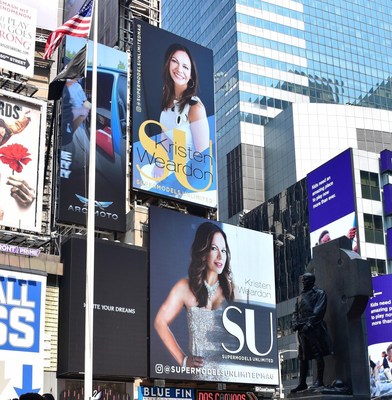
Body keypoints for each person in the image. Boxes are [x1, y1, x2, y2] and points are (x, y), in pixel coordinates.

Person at [154, 222, 234, 369]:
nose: (220, 256)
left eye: (223, 250)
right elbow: (160, 322)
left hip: (232, 374)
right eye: (213, 248)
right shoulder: (185, 287)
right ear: (202, 251)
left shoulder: (231, 288)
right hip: (200, 375)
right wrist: (183, 360)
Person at [153, 43, 210, 178]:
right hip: (173, 170)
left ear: (191, 76)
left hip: (189, 178)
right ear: (168, 64)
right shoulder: (166, 101)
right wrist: (159, 165)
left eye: (185, 67)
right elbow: (165, 138)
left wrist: (180, 184)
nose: (179, 69)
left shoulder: (195, 108)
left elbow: (202, 158)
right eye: (174, 61)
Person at [291, 272, 333, 393]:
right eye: (303, 280)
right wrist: (295, 323)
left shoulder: (320, 293)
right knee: (302, 357)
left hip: (314, 328)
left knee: (317, 353)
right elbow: (295, 312)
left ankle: (320, 380)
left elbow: (319, 311)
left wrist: (309, 324)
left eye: (306, 280)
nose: (303, 282)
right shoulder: (300, 296)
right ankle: (302, 383)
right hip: (301, 330)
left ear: (311, 281)